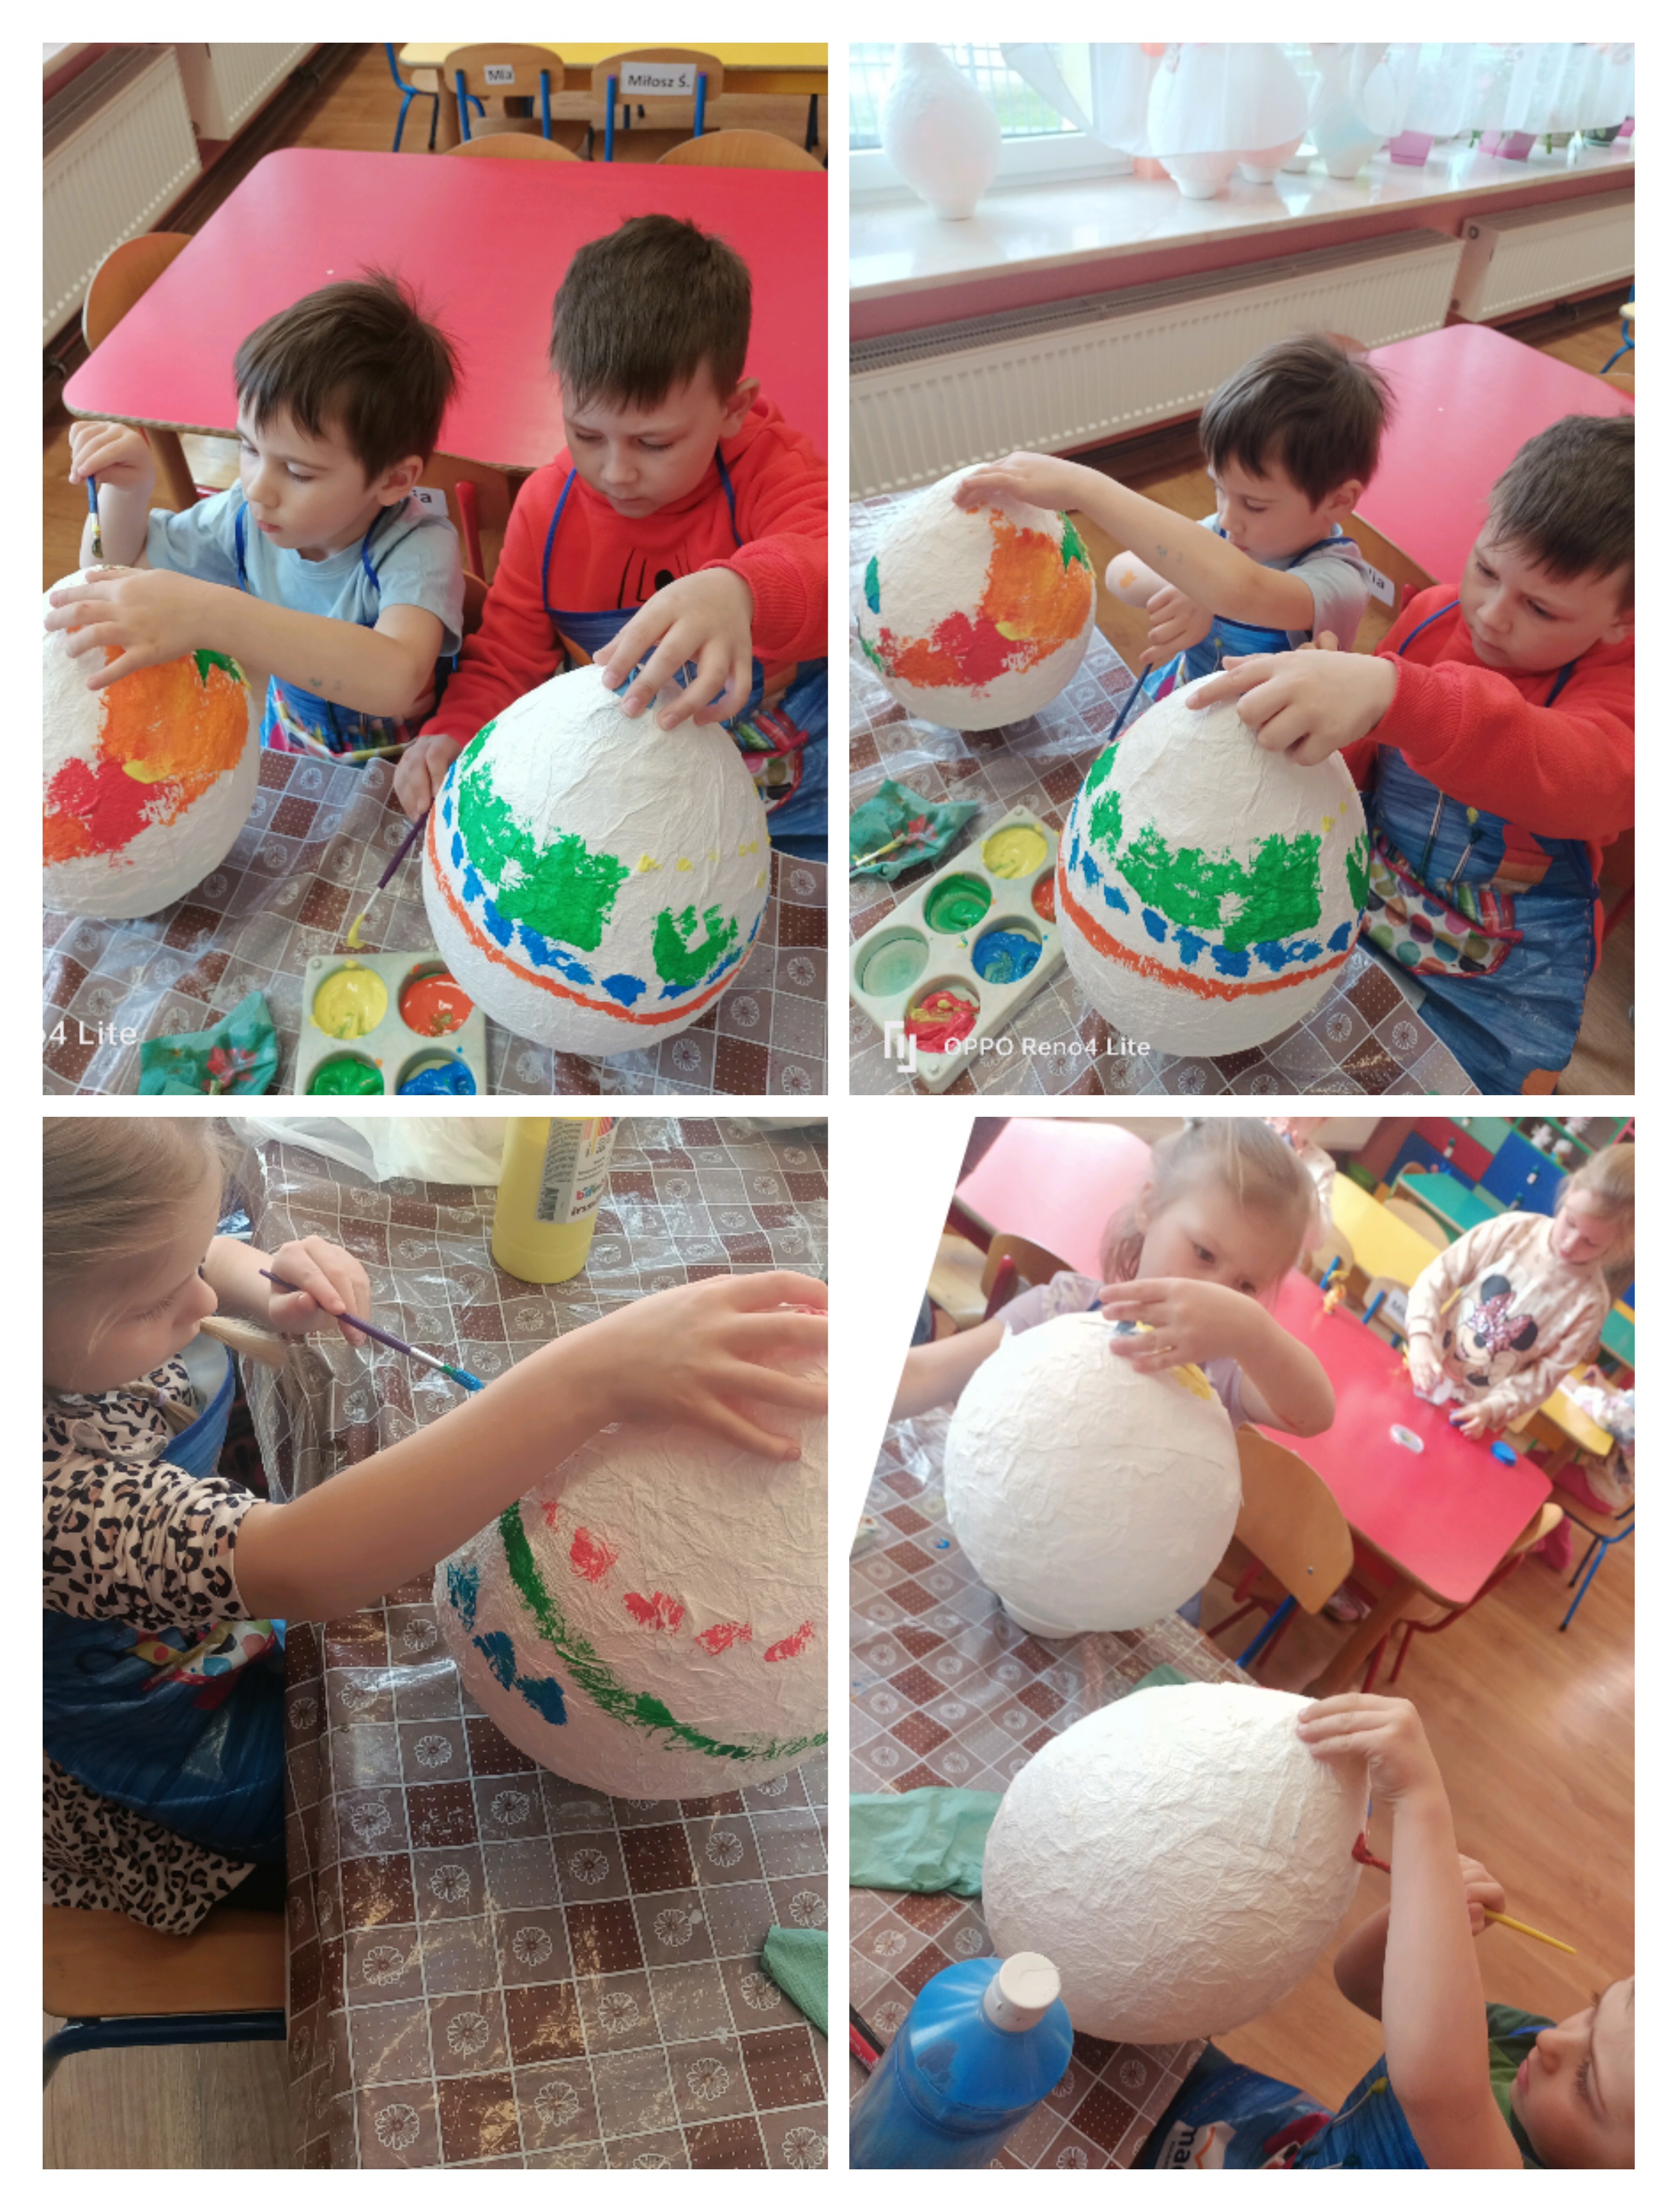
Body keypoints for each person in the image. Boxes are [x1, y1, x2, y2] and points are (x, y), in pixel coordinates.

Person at [43, 1118, 827, 1933]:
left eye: (191, 1262)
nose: (202, 1301)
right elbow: (302, 1564)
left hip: (212, 1619)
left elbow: (200, 1260)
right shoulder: (46, 1504)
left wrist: (261, 1279)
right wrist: (588, 1380)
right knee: (331, 1815)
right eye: (153, 1304)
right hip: (156, 1727)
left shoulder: (90, 1292)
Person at [1192, 414, 1634, 1091]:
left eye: (1541, 609)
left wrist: (1395, 695)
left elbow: (1590, 778)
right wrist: (1330, 735)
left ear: (1623, 620)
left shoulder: (1626, 690)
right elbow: (1365, 756)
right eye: (1485, 569)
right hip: (1376, 886)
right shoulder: (1431, 614)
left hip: (1500, 977)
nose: (1491, 614)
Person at [394, 214, 827, 847]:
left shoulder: (769, 469)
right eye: (586, 434)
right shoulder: (547, 509)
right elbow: (508, 659)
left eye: (655, 443)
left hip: (778, 790)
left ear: (732, 409)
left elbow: (820, 562)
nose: (615, 472)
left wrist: (742, 590)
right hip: (630, 798)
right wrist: (454, 731)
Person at [1141, 1695, 1633, 2168]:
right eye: (1594, 2010)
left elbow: (1438, 2089)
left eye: (1587, 2081)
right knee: (1150, 2057)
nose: (1553, 2043)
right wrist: (1426, 1915)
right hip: (1289, 2142)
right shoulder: (1521, 2040)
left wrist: (1421, 1800)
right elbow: (1359, 1981)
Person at [48, 275, 465, 762]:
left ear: (394, 480)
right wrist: (125, 493)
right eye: (248, 448)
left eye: (298, 472)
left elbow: (396, 679)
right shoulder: (245, 518)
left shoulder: (418, 547)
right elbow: (113, 572)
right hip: (291, 745)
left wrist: (211, 613)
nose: (257, 487)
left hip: (409, 767)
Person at [953, 333, 1389, 704]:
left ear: (1338, 501)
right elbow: (1121, 575)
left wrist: (1082, 486)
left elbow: (1243, 591)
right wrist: (1188, 585)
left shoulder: (1341, 582)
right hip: (1188, 699)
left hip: (1267, 743)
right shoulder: (1226, 536)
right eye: (1219, 488)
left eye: (1255, 504)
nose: (1227, 517)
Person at [893, 1120, 1332, 1436]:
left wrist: (1253, 1332)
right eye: (1203, 1253)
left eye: (1245, 1287)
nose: (1214, 1293)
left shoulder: (1223, 1371)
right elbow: (927, 1372)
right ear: (1150, 1207)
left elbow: (1314, 1415)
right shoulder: (1063, 1308)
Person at [1405, 1144, 1633, 1440]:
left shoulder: (1589, 1305)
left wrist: (1490, 1410)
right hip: (1424, 1370)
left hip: (1472, 1416)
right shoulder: (1514, 1230)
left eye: (1590, 1243)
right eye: (1570, 1223)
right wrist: (1421, 1338)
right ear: (1570, 1192)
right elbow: (1439, 1276)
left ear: (1617, 1244)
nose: (1570, 1244)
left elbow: (1541, 1379)